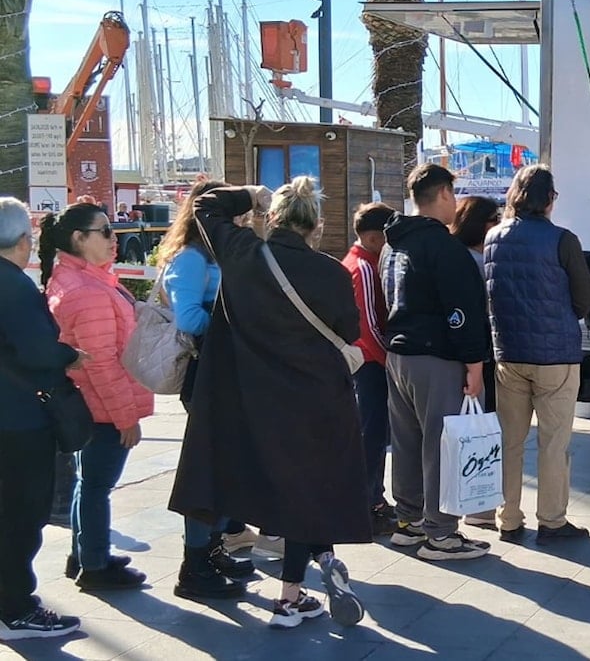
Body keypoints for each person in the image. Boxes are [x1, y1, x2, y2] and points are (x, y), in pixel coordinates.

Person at [168, 178, 369, 629]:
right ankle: (294, 592)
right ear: (315, 226)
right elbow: (349, 331)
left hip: (250, 402)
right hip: (316, 402)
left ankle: (305, 581)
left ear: (272, 218)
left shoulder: (242, 254)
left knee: (275, 490)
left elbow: (205, 205)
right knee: (308, 492)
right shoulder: (331, 273)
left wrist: (250, 196)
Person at [382, 164, 493, 561]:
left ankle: (409, 522)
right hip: (436, 357)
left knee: (407, 443)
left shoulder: (392, 243)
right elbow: (461, 309)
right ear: (445, 193)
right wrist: (475, 363)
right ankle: (441, 533)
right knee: (441, 444)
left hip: (398, 354)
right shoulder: (444, 248)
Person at [40, 202, 154, 590]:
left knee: (87, 483)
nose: (114, 238)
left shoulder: (79, 279)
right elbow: (102, 363)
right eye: (105, 231)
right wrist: (126, 418)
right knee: (95, 487)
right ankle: (95, 565)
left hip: (89, 404)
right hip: (101, 409)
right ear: (79, 239)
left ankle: (86, 553)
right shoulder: (86, 291)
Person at [154, 180, 258, 600]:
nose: (240, 219)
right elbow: (187, 318)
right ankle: (194, 564)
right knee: (208, 473)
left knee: (226, 468)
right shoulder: (193, 259)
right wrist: (234, 327)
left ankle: (211, 550)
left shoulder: (215, 254)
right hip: (207, 374)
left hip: (226, 373)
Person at [485, 165, 590, 543]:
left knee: (510, 442)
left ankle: (508, 518)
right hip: (556, 356)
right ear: (549, 199)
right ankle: (551, 521)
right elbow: (584, 298)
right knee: (553, 443)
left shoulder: (493, 238)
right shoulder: (563, 240)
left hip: (509, 354)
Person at [0, 197, 83, 640]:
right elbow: (37, 350)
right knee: (21, 515)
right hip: (19, 419)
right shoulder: (12, 285)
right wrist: (71, 354)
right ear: (22, 241)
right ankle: (15, 608)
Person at [341, 202, 398, 536]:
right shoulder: (362, 268)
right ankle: (369, 502)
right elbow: (370, 324)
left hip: (369, 362)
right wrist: (391, 359)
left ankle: (373, 498)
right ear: (376, 237)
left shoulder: (364, 261)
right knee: (371, 435)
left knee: (373, 435)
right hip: (370, 363)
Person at [449, 195, 503, 531]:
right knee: (480, 432)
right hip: (478, 356)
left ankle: (473, 504)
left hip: (461, 355)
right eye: (494, 219)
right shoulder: (477, 262)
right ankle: (477, 505)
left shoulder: (459, 256)